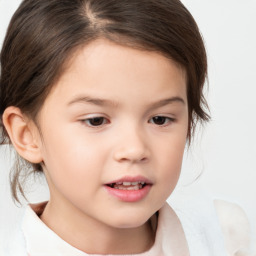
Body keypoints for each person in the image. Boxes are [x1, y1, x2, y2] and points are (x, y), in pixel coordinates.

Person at [0, 0, 251, 255]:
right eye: (96, 120)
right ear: (26, 135)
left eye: (160, 119)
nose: (134, 149)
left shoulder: (222, 237)